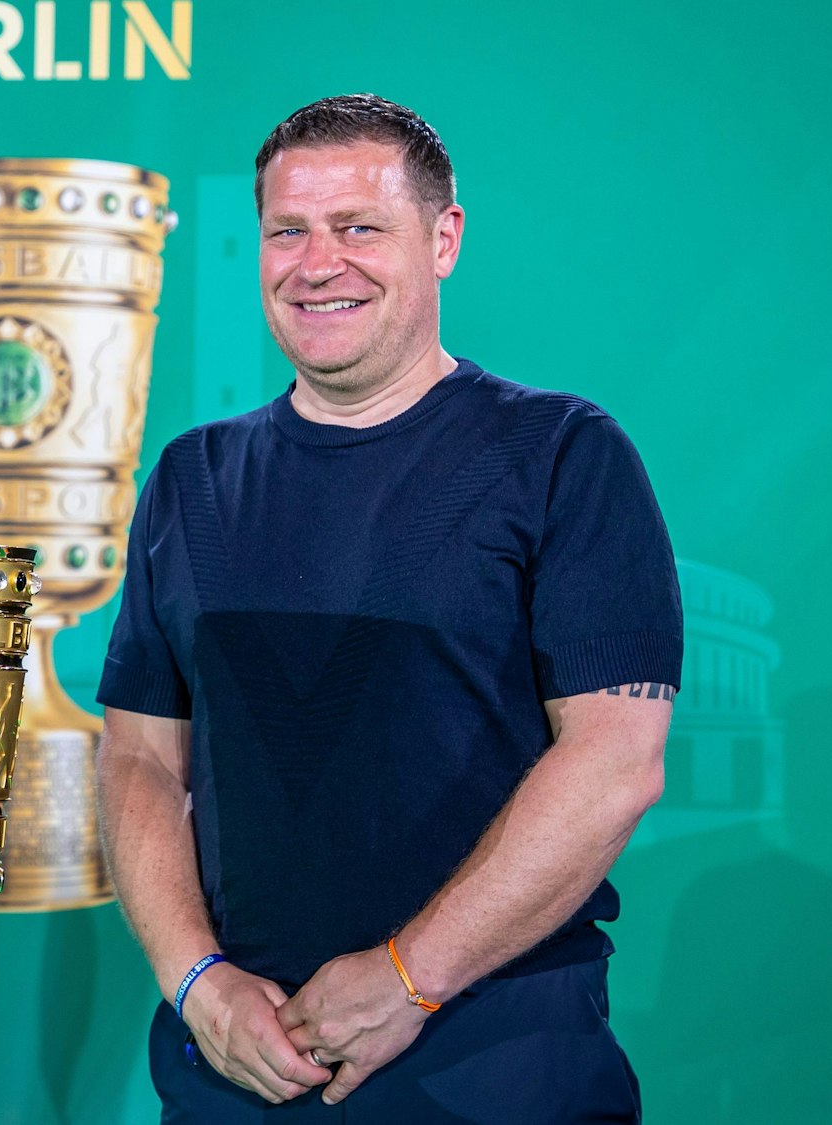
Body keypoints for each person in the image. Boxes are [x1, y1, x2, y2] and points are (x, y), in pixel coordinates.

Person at [95, 94, 682, 1122]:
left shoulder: (559, 456)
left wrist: (409, 978)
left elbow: (613, 760)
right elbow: (138, 758)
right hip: (236, 1066)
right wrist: (195, 982)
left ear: (442, 238)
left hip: (493, 1063)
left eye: (358, 227)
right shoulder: (192, 477)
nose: (316, 263)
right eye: (288, 231)